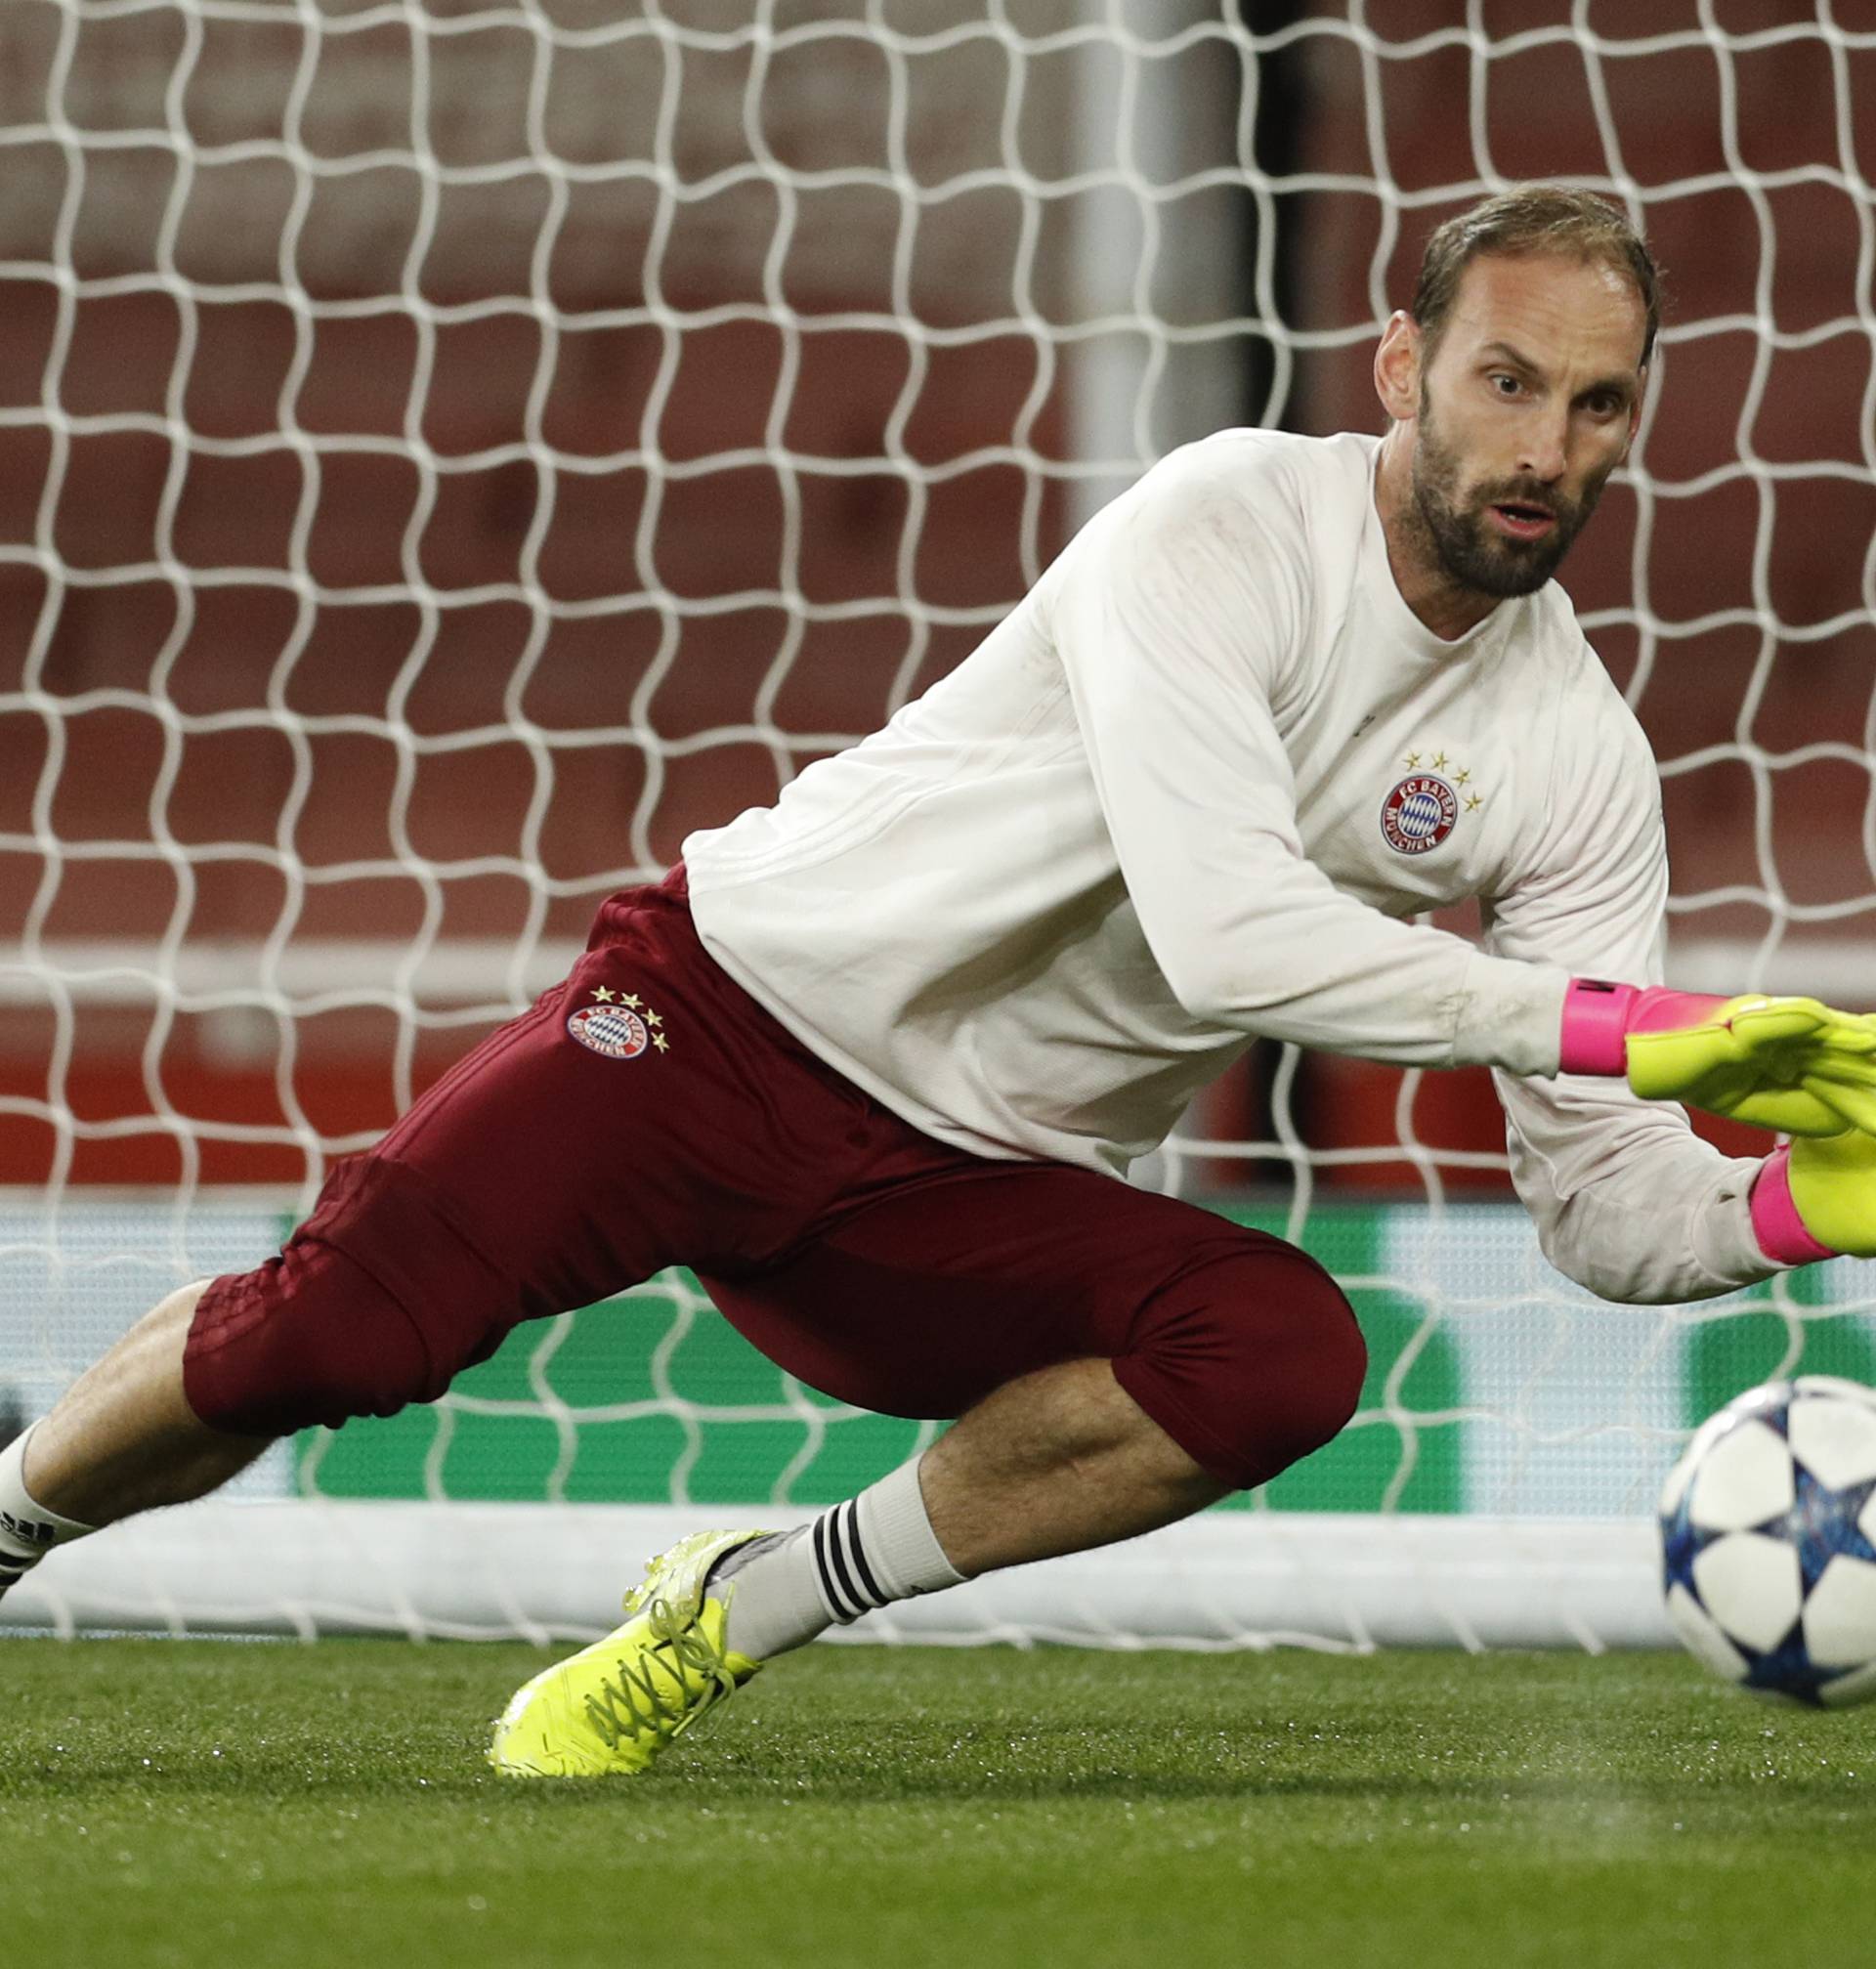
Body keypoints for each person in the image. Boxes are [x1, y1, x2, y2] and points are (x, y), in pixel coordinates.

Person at [7, 186, 1876, 1776]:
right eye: (1507, 382)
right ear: (1404, 373)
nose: (1546, 448)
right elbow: (1234, 931)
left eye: (1599, 403)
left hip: (958, 1191)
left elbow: (1607, 1213)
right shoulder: (1224, 521)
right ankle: (10, 1519)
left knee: (1280, 1354)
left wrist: (1803, 1203)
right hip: (728, 1017)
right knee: (336, 1339)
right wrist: (1634, 1029)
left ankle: (741, 1605)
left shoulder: (1577, 764)